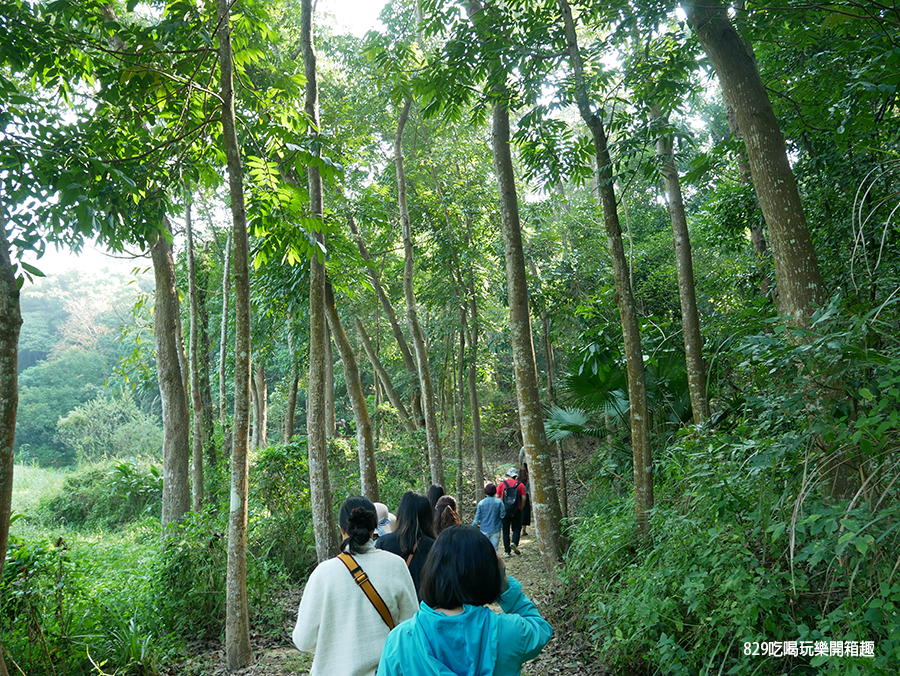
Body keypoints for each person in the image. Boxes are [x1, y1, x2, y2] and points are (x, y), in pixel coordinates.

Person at [378, 525, 553, 675]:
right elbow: (541, 627)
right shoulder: (507, 631)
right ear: (488, 574)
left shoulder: (400, 641)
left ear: (432, 571)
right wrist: (504, 584)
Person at [292, 496, 418, 675]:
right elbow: (410, 630)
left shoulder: (323, 573)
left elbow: (303, 641)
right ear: (374, 528)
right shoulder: (396, 565)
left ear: (341, 529)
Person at [375, 491, 436, 599]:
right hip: (424, 609)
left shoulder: (383, 543)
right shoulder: (435, 546)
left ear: (401, 513)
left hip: (393, 607)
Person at [498, 468, 526, 558]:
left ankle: (507, 552)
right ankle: (514, 542)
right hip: (516, 510)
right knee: (517, 528)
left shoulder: (502, 484)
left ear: (508, 475)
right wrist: (520, 508)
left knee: (505, 530)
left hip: (504, 511)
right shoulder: (520, 485)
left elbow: (497, 497)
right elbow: (524, 498)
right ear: (515, 476)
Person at [472, 483, 503, 550]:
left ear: (485, 491)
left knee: (485, 550)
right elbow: (503, 515)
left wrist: (473, 527)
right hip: (496, 528)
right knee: (495, 550)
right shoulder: (499, 502)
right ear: (495, 491)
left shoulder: (481, 503)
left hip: (484, 530)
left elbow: (477, 518)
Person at [519, 463, 532, 537]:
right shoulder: (527, 482)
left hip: (519, 497)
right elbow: (530, 491)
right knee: (526, 513)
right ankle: (524, 529)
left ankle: (519, 527)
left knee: (520, 512)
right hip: (525, 497)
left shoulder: (518, 482)